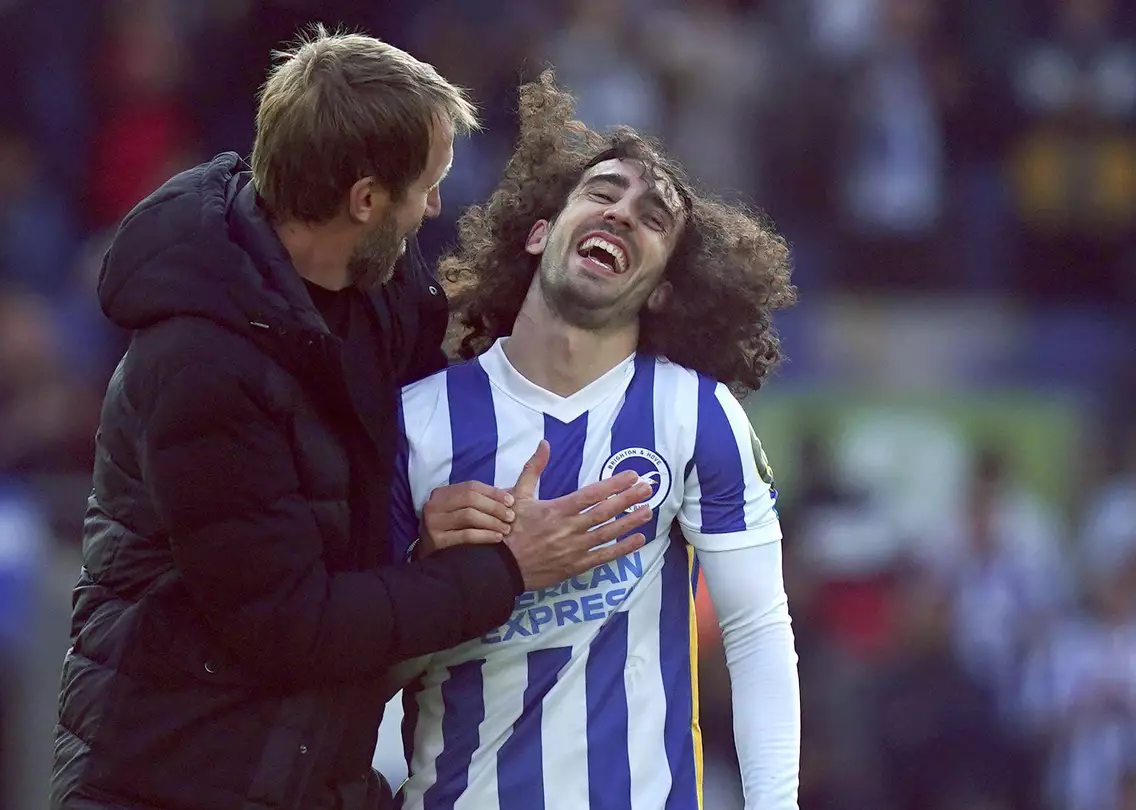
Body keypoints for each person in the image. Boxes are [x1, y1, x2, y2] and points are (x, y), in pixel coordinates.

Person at [51, 30, 654, 810]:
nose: (436, 206)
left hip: (307, 773)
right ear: (365, 200)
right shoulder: (200, 368)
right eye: (426, 186)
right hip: (171, 780)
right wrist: (504, 569)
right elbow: (291, 626)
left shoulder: (378, 287)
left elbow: (457, 408)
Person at [387, 72, 802, 810]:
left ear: (666, 285)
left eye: (653, 217)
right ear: (542, 231)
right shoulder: (416, 423)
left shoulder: (693, 416)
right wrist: (437, 570)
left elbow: (758, 634)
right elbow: (358, 663)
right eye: (602, 193)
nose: (621, 214)